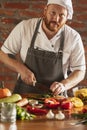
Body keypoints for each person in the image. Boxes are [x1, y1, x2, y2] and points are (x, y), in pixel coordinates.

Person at [0, 0, 86, 96]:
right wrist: (21, 69)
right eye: (52, 12)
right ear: (45, 10)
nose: (56, 19)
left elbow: (80, 71)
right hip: (24, 95)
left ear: (67, 18)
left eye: (62, 15)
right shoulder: (25, 27)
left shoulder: (73, 37)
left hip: (55, 98)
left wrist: (63, 85)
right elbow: (3, 54)